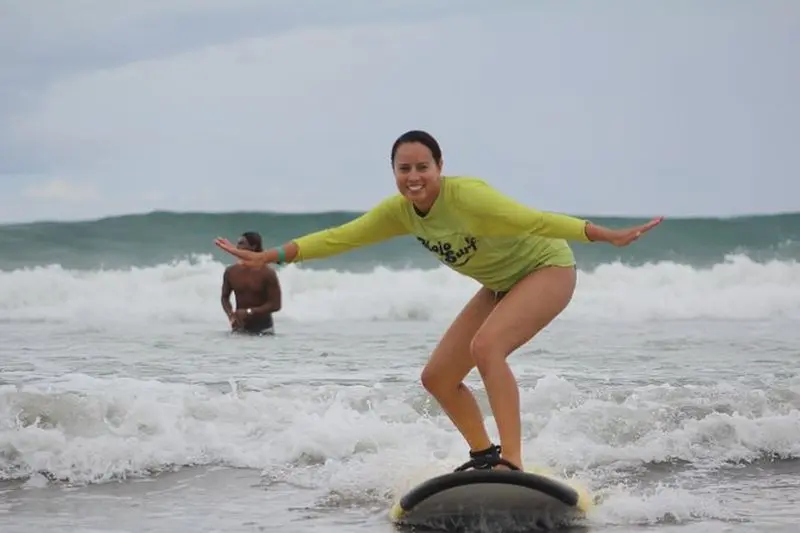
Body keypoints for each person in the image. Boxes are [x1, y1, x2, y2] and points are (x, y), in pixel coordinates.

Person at [214, 130, 663, 471]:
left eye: (422, 167)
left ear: (440, 166)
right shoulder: (399, 212)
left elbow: (538, 221)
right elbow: (338, 238)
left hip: (547, 269)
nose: (413, 178)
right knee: (438, 377)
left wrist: (605, 235)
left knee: (486, 348)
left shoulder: (469, 197)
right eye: (403, 169)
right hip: (499, 284)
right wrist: (267, 257)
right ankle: (485, 457)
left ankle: (514, 463)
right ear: (393, 172)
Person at [220, 231, 282, 336]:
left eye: (241, 243)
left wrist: (249, 312)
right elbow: (225, 297)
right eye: (238, 243)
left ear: (253, 247)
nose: (237, 247)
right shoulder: (231, 271)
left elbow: (276, 305)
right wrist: (231, 315)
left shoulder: (267, 273)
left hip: (264, 330)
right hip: (239, 329)